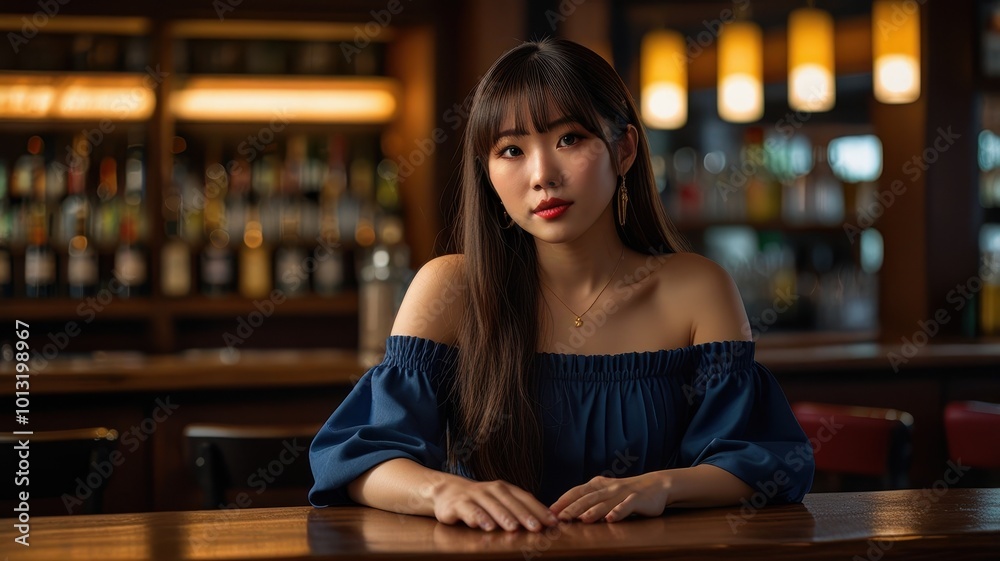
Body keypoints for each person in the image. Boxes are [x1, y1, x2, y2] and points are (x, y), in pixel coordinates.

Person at [309, 37, 814, 532]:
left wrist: (663, 486)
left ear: (625, 150)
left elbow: (762, 460)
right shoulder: (450, 286)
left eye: (569, 139)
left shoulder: (698, 288)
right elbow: (360, 457)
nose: (542, 175)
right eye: (511, 150)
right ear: (486, 173)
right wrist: (443, 490)